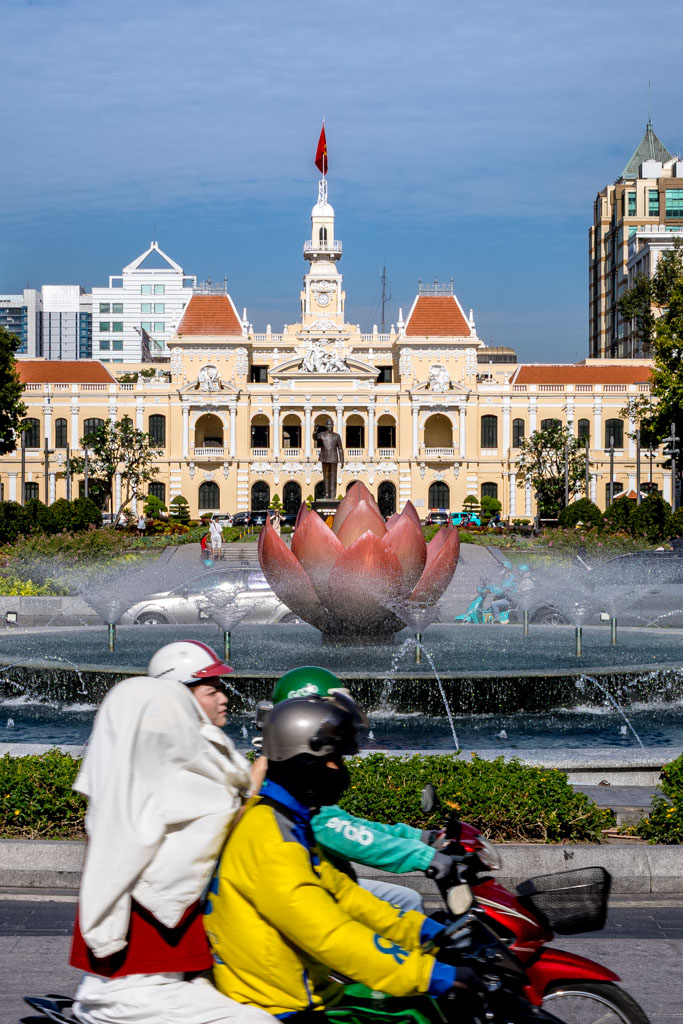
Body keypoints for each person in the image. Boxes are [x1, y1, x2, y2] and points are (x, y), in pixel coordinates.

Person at [205, 694, 478, 1019]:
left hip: (304, 991)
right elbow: (331, 935)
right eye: (334, 760)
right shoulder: (273, 842)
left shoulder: (286, 820)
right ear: (303, 762)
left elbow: (344, 896)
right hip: (284, 1008)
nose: (341, 771)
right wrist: (432, 975)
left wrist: (424, 930)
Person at [69, 640, 272, 1024]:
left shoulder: (163, 776)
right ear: (176, 700)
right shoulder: (164, 794)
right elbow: (224, 816)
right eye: (211, 690)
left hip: (168, 979)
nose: (224, 697)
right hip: (138, 988)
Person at [250, 667, 456, 913]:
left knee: (407, 901)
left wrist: (421, 837)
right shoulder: (288, 794)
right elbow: (354, 838)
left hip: (325, 881)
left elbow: (348, 823)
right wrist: (426, 857)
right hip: (307, 899)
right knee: (404, 908)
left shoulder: (290, 777)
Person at [314, 418, 344, 500]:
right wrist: (315, 431)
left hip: (334, 458)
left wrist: (342, 460)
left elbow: (340, 448)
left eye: (331, 424)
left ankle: (333, 495)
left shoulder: (336, 436)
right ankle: (327, 494)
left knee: (333, 477)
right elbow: (315, 438)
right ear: (326, 426)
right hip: (324, 457)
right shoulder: (322, 434)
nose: (330, 426)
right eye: (328, 424)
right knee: (326, 477)